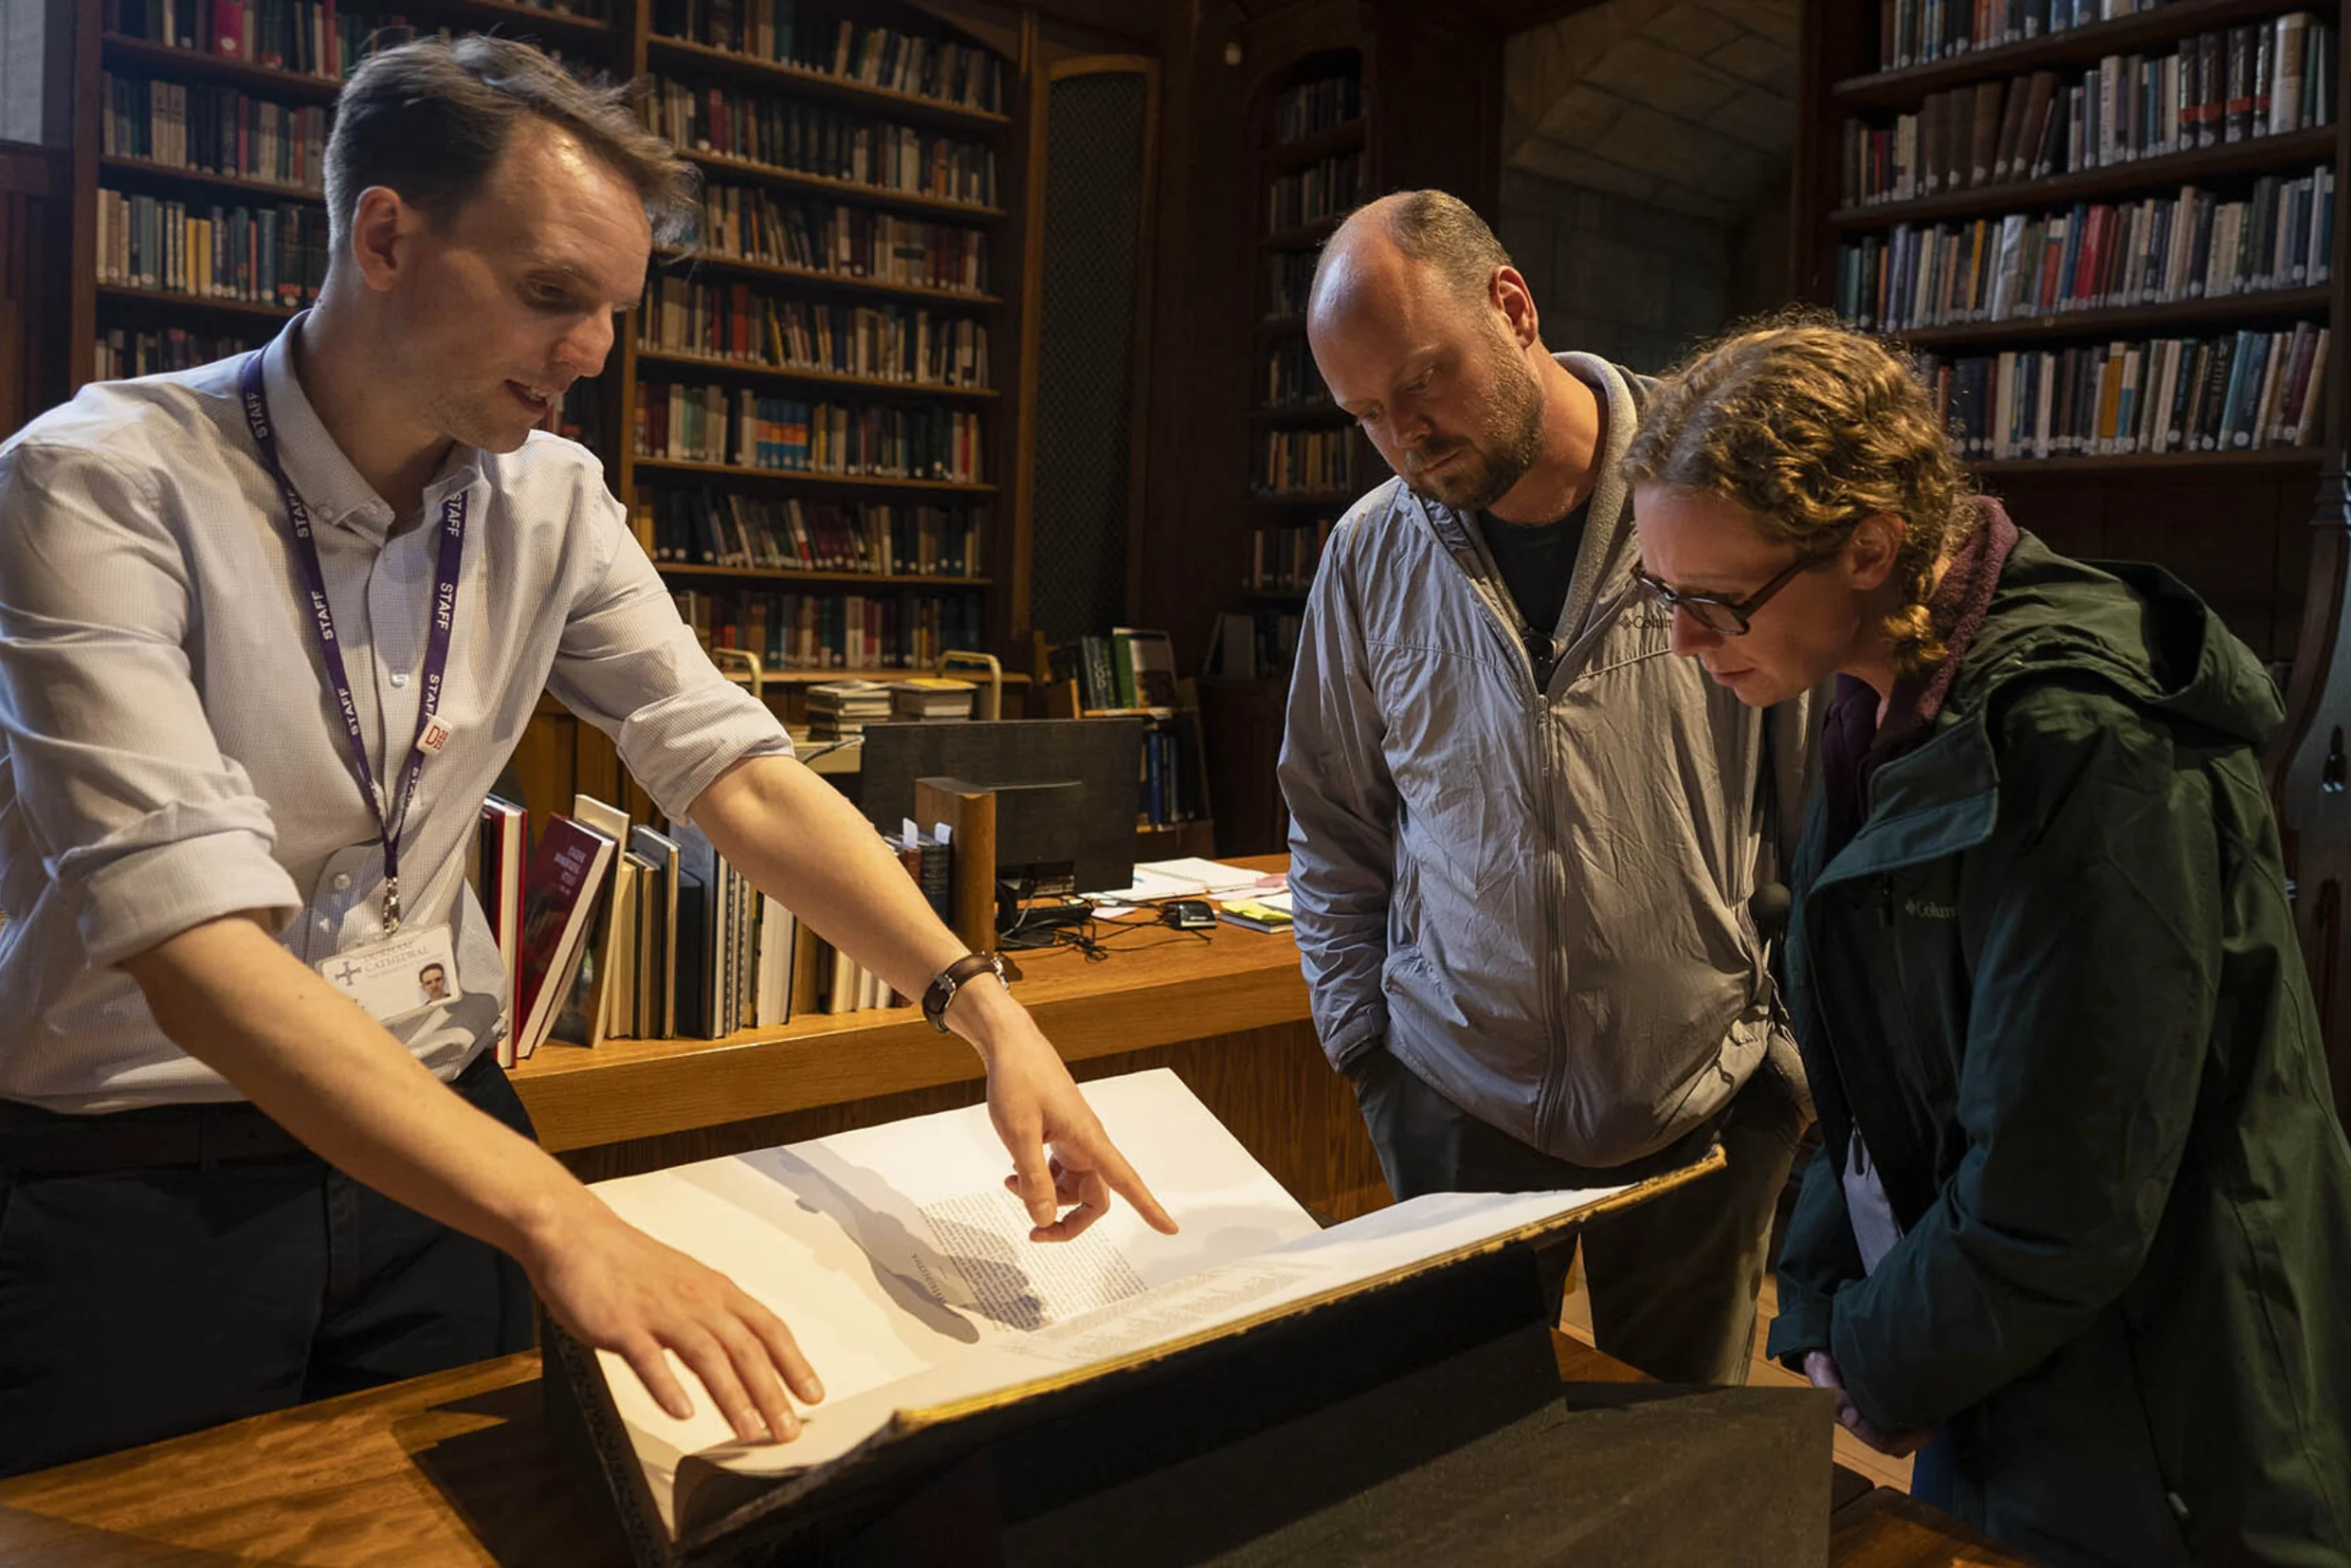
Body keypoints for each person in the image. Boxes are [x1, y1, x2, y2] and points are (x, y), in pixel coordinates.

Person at [0, 36, 1172, 1478]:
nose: (597, 353)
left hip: (445, 1146)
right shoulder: (97, 479)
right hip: (138, 1186)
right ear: (385, 237)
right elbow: (188, 940)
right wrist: (565, 1215)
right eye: (553, 294)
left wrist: (981, 1006)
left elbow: (734, 768)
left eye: (615, 308)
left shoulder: (550, 498)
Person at [1624, 315, 2351, 1566]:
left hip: (2169, 1412)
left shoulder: (2083, 741)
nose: (1684, 641)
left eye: (1714, 601)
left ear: (1868, 546)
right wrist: (1822, 1307)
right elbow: (1868, 1082)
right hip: (2006, 1359)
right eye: (1661, 594)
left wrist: (1874, 1356)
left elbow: (2062, 1188)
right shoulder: (1873, 702)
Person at [1277, 190, 1816, 1386]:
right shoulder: (1367, 552)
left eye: (1421, 382)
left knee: (1677, 1459)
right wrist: (1366, 1049)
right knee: (1469, 1445)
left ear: (1511, 307)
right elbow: (1330, 821)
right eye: (1365, 415)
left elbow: (1815, 804)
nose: (1403, 438)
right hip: (1452, 1102)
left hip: (1703, 1094)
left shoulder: (1714, 488)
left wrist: (1786, 1069)